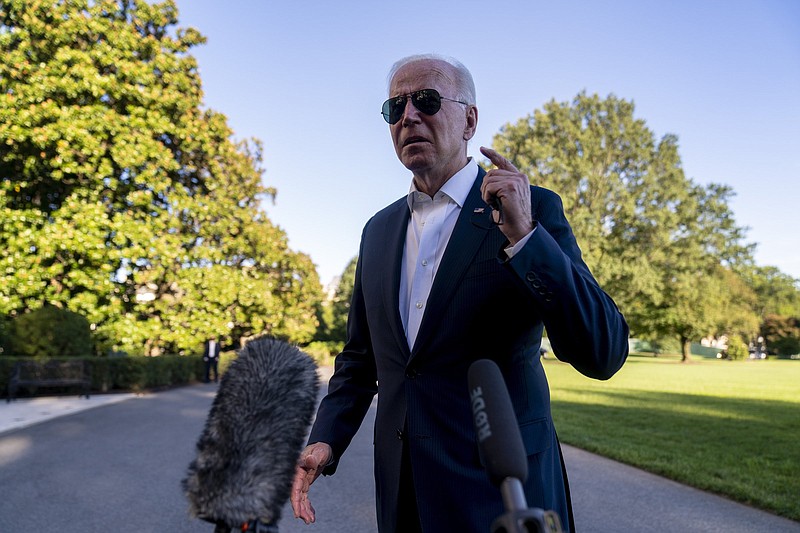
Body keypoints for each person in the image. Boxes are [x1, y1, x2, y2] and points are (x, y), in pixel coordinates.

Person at [291, 54, 629, 533]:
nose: (409, 116)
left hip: (503, 497)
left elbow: (603, 352)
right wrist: (326, 438)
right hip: (403, 497)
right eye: (394, 107)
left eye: (426, 101)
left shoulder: (530, 210)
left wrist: (527, 237)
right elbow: (361, 358)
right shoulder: (378, 231)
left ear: (469, 119)